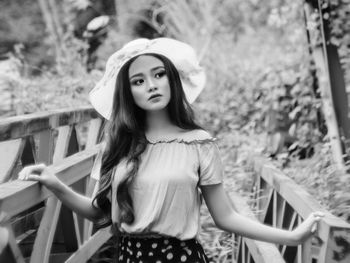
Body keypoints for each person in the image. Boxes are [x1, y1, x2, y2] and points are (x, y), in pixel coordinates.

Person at [19, 38, 324, 263]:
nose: (151, 85)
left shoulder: (198, 142)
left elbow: (226, 216)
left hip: (180, 257)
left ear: (172, 79)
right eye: (138, 80)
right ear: (129, 92)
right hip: (129, 257)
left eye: (158, 74)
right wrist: (55, 184)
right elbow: (98, 212)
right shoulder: (119, 143)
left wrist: (292, 237)